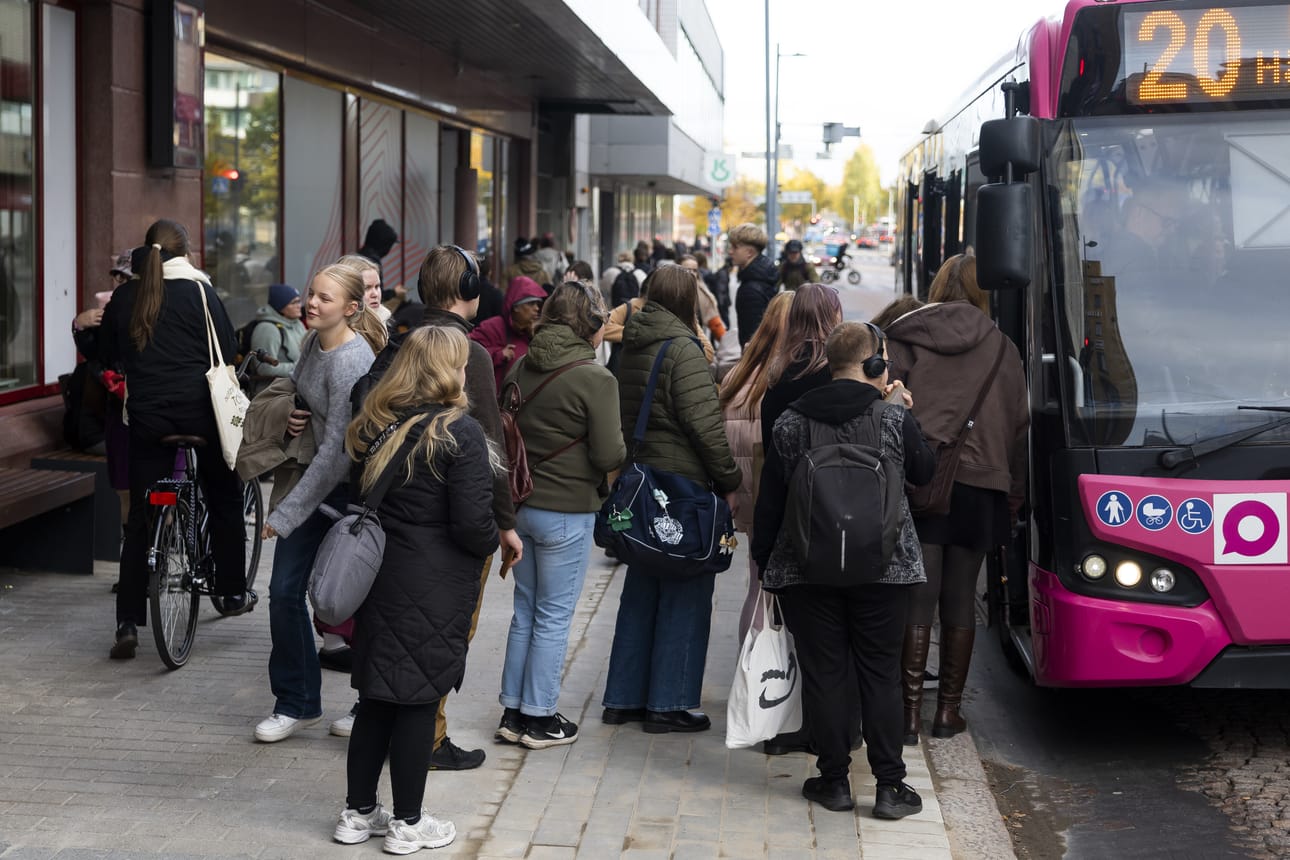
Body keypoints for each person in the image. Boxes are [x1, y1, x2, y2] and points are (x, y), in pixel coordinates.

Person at [752, 321, 934, 818]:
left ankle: (833, 781)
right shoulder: (892, 419)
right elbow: (925, 473)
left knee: (825, 673)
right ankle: (891, 788)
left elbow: (770, 503)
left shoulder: (790, 421)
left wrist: (767, 566)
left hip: (808, 568)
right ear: (875, 364)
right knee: (880, 674)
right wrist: (905, 415)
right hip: (887, 567)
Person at [351, 244, 522, 769]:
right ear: (470, 291)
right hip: (451, 514)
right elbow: (489, 444)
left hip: (392, 511)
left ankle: (393, 730)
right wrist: (506, 524)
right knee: (446, 631)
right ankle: (427, 738)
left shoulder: (400, 338)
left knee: (395, 629)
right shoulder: (463, 352)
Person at [334, 325, 498, 853]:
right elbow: (473, 525)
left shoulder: (376, 425)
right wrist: (498, 537)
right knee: (419, 700)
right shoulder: (458, 432)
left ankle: (357, 814)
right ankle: (407, 823)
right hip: (435, 583)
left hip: (380, 576)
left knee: (376, 698)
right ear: (446, 369)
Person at [884, 254, 1028, 745]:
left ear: (939, 285)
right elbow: (1018, 429)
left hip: (920, 481)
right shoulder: (1004, 348)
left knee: (917, 598)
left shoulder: (905, 336)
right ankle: (947, 714)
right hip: (982, 486)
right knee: (961, 602)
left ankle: (905, 718)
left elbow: (885, 410)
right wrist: (1012, 497)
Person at [98, 220, 255, 658]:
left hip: (148, 419)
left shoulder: (126, 295)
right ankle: (231, 589)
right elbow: (225, 345)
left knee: (141, 519)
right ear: (185, 252)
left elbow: (108, 353)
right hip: (201, 414)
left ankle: (128, 621)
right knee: (224, 494)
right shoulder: (201, 291)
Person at [601, 265, 741, 733]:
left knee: (641, 589)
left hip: (643, 481)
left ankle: (622, 699)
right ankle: (670, 702)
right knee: (686, 590)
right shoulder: (682, 348)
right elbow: (704, 425)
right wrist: (729, 476)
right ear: (690, 302)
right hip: (683, 487)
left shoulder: (633, 343)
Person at [254, 263, 387, 743]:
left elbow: (337, 451)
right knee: (284, 592)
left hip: (349, 489)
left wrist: (285, 514)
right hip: (314, 480)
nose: (312, 304)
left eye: (324, 299)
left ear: (351, 309)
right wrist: (290, 413)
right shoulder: (311, 342)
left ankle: (368, 705)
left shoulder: (353, 360)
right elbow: (300, 389)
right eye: (312, 294)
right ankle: (297, 702)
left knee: (359, 601)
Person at [495, 282, 625, 750]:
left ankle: (512, 711)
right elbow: (609, 451)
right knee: (553, 616)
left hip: (520, 508)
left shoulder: (521, 364)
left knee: (525, 611)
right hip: (567, 512)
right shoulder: (595, 378)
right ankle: (540, 716)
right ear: (589, 324)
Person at [754, 283, 844, 756]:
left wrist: (763, 550)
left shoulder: (780, 379)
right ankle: (841, 728)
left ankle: (810, 724)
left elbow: (774, 461)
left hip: (799, 518)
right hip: (850, 516)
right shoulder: (844, 375)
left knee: (808, 634)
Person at [719, 292, 792, 643]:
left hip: (746, 492)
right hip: (775, 494)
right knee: (775, 590)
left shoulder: (740, 370)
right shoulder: (788, 376)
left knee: (756, 587)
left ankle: (747, 668)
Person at [470, 275, 546, 390]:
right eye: (531, 304)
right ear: (516, 306)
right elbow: (467, 352)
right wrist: (498, 355)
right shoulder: (493, 327)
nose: (536, 309)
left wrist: (534, 337)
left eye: (538, 304)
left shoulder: (535, 332)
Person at [246, 283, 307, 392]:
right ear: (280, 307)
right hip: (273, 394)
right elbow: (264, 368)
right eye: (294, 303)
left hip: (296, 387)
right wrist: (301, 367)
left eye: (299, 301)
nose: (299, 306)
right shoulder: (267, 329)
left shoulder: (297, 324)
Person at [730, 223, 778, 347]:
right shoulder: (764, 277)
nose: (730, 251)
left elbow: (752, 338)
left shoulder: (751, 289)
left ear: (749, 252)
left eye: (735, 247)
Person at [679, 254, 726, 344]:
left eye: (695, 270)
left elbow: (713, 320)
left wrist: (724, 341)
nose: (692, 273)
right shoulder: (669, 290)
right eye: (687, 270)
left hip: (695, 339)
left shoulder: (701, 291)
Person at [357, 218, 399, 298]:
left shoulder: (359, 255)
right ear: (384, 244)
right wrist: (395, 292)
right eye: (389, 245)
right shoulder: (372, 261)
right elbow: (377, 295)